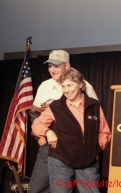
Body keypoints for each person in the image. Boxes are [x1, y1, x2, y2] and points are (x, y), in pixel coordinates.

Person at [28, 50, 98, 193]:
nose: (52, 70)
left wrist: (93, 146)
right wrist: (41, 139)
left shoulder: (85, 86)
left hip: (79, 148)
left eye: (56, 65)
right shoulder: (45, 86)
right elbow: (34, 116)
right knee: (37, 188)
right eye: (50, 66)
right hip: (51, 147)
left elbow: (95, 118)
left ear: (67, 65)